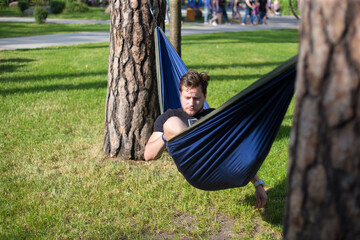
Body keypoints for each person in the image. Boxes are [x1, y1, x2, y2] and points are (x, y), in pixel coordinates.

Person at [144, 70, 268, 208]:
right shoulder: (169, 116)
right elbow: (148, 155)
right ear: (180, 95)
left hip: (216, 167)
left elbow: (236, 152)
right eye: (187, 98)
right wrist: (166, 135)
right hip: (194, 169)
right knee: (172, 123)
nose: (191, 103)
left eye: (196, 98)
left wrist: (258, 184)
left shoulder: (214, 117)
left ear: (205, 97)